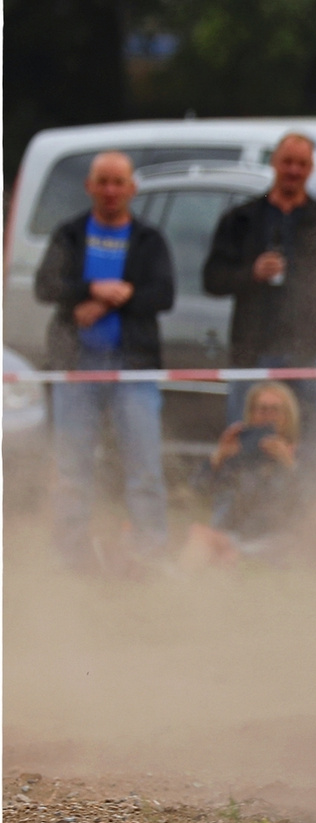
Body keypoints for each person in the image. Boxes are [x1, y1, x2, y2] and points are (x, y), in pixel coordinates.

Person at [34, 150, 175, 572]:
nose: (111, 190)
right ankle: (68, 557)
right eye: (103, 182)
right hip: (76, 369)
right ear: (89, 187)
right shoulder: (69, 235)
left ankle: (151, 555)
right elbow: (46, 286)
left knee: (144, 468)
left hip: (134, 370)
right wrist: (93, 289)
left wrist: (120, 298)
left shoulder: (149, 239)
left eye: (119, 182)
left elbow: (163, 295)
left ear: (132, 189)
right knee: (72, 470)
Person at [203, 132, 316, 476]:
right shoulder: (242, 219)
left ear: (310, 169)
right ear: (274, 163)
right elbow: (211, 278)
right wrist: (251, 273)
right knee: (244, 442)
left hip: (311, 351)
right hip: (254, 349)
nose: (293, 170)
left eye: (301, 164)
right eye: (287, 162)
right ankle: (237, 519)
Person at [183, 381, 301, 566]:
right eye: (261, 409)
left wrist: (289, 464)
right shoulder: (238, 455)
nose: (268, 416)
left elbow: (309, 504)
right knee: (201, 536)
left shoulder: (301, 455)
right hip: (231, 535)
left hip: (275, 540)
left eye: (275, 410)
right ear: (251, 414)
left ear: (288, 415)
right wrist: (219, 457)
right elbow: (199, 491)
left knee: (219, 549)